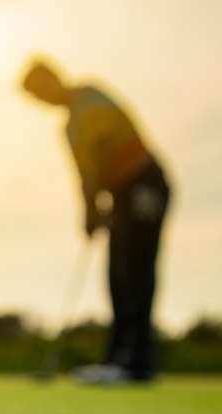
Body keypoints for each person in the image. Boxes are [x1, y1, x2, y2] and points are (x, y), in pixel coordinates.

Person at [22, 58, 171, 383]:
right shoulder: (68, 127)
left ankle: (137, 363)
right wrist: (91, 212)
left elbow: (105, 150)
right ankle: (118, 360)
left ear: (53, 76)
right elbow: (86, 176)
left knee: (137, 269)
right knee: (118, 273)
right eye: (35, 97)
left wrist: (93, 208)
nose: (42, 99)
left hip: (144, 183)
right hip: (120, 195)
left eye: (40, 89)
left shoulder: (89, 97)